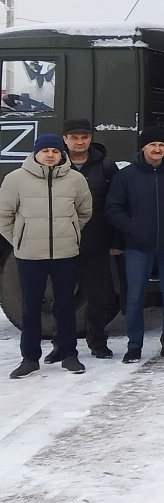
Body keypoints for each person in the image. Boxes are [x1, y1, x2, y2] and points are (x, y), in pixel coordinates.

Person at [1, 135, 93, 378]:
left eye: (55, 150)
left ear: (62, 153)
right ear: (36, 153)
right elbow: (3, 216)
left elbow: (84, 212)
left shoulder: (75, 179)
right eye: (45, 151)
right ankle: (30, 359)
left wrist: (70, 233)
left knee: (65, 305)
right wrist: (20, 240)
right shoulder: (16, 179)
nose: (50, 155)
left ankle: (69, 354)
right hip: (29, 256)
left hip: (65, 254)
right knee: (30, 308)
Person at [105, 127, 164, 363]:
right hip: (137, 247)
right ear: (143, 147)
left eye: (161, 145)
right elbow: (113, 209)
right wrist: (133, 228)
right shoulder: (127, 176)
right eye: (152, 145)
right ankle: (134, 345)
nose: (157, 149)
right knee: (135, 298)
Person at [61, 118, 122, 360]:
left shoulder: (106, 166)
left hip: (96, 242)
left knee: (98, 297)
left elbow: (116, 204)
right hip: (63, 243)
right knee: (62, 297)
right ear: (65, 139)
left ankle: (97, 342)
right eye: (74, 137)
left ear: (90, 139)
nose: (80, 142)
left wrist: (116, 240)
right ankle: (61, 345)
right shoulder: (55, 165)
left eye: (84, 137)